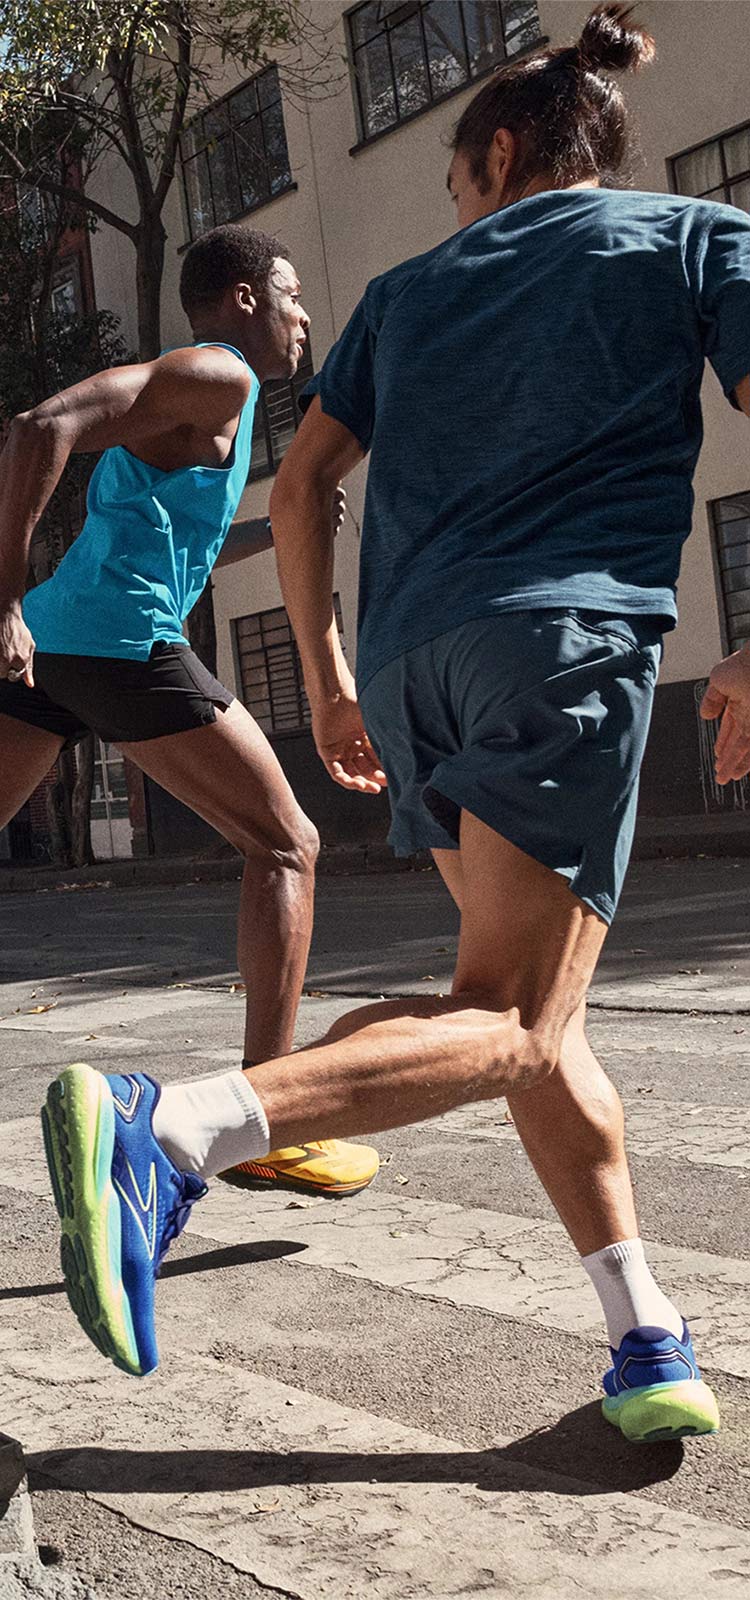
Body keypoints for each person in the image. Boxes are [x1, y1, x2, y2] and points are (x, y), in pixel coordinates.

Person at [41, 3, 750, 1444]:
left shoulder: (407, 294)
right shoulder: (688, 240)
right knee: (510, 1016)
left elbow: (300, 490)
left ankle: (640, 1331)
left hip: (418, 667)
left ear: (498, 154)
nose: (455, 202)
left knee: (530, 1010)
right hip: (563, 644)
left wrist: (332, 675)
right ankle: (170, 1132)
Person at [0, 224, 379, 1197]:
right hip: (114, 644)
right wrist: (0, 596)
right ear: (246, 299)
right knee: (288, 842)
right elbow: (42, 427)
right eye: (291, 295)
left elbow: (163, 538)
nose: (303, 318)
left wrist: (273, 529)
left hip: (60, 641)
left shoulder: (210, 406)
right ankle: (260, 1117)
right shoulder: (221, 374)